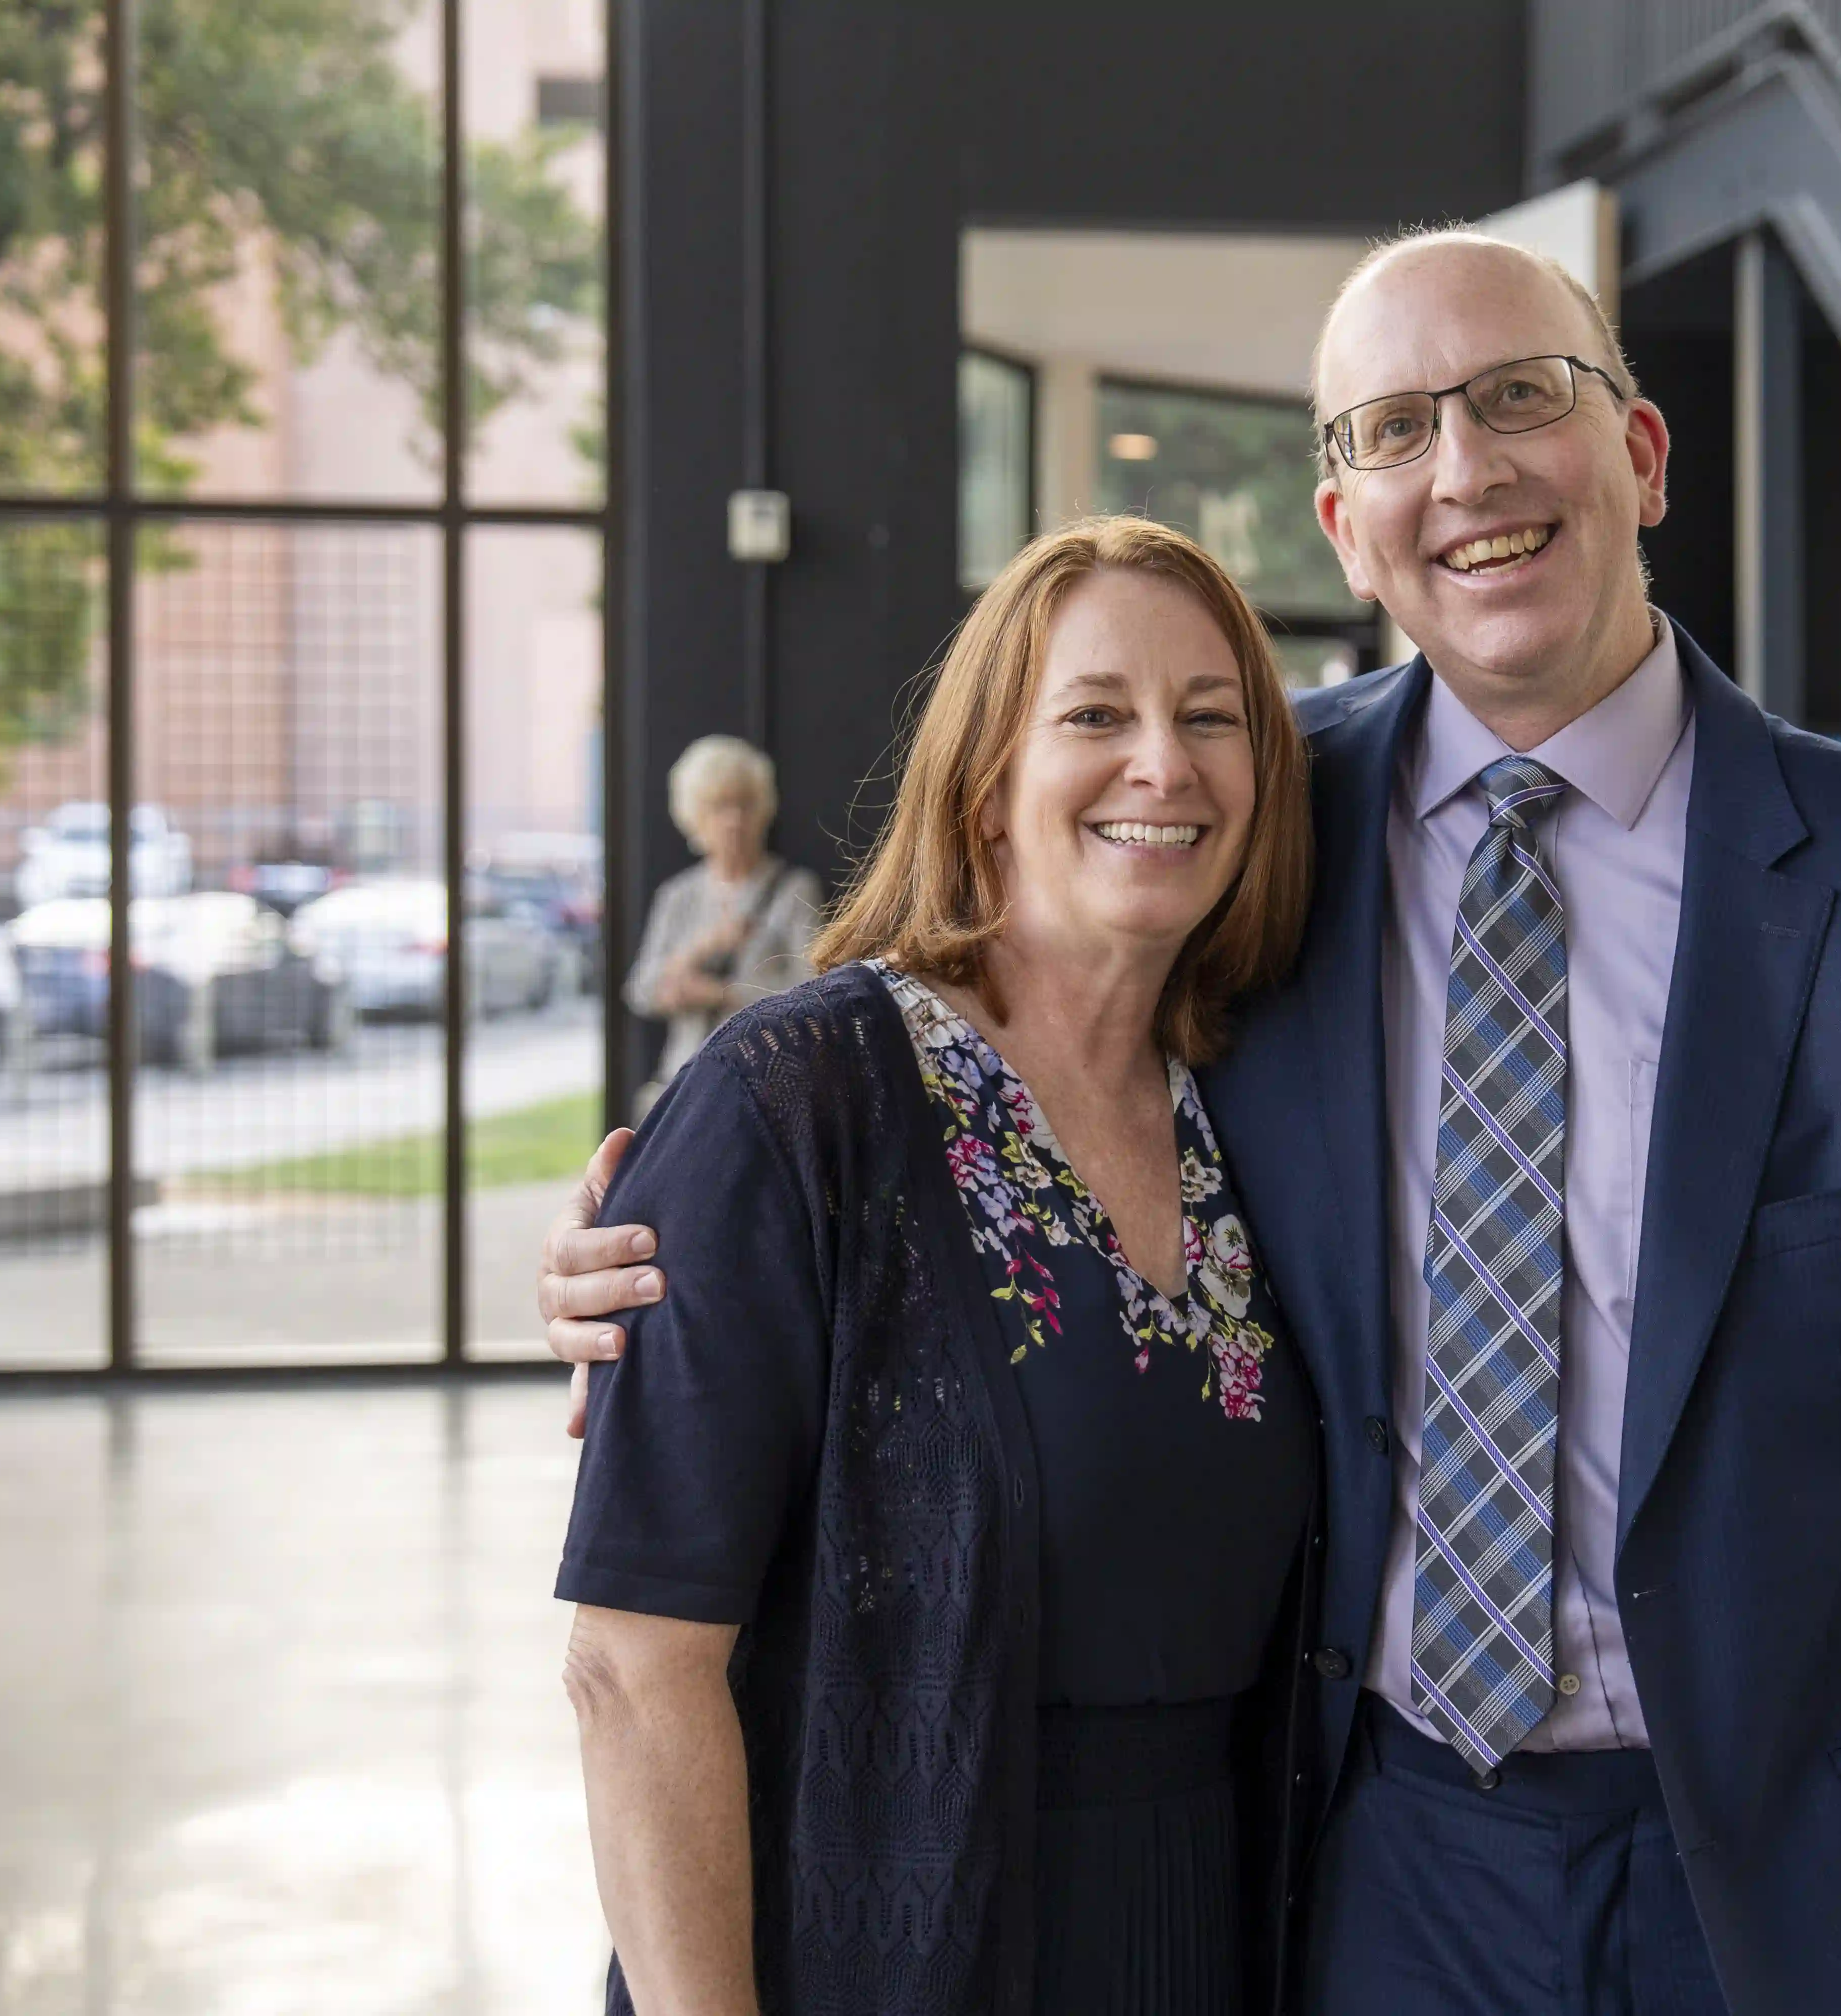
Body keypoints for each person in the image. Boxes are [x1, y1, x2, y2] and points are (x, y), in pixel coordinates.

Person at [545, 231, 1841, 2015]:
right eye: (1394, 430)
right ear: (1343, 527)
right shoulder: (1244, 828)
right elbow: (985, 1061)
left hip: (1816, 1889)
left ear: (1639, 455)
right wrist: (678, 1232)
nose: (1464, 470)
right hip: (1381, 1869)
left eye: (1520, 396)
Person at [555, 518, 1320, 2015]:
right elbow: (634, 1670)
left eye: (1210, 717)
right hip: (887, 1950)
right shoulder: (799, 1102)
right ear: (983, 785)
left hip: (1212, 1935)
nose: (1161, 764)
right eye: (1093, 714)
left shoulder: (1253, 1103)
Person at [621, 732, 823, 1092]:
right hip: (686, 1083)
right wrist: (702, 948)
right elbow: (641, 990)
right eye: (719, 807)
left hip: (762, 1084)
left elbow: (813, 996)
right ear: (694, 816)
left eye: (745, 804)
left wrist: (720, 994)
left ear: (764, 808)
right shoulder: (678, 895)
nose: (734, 820)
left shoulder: (794, 890)